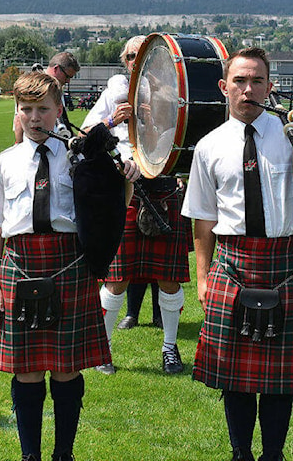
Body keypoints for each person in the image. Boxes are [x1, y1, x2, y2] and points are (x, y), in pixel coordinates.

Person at [183, 47, 293, 461]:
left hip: (285, 262)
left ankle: (273, 454)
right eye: (239, 81)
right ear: (224, 87)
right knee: (236, 378)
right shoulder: (208, 147)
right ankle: (240, 452)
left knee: (280, 380)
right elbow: (203, 219)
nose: (248, 89)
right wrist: (204, 278)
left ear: (270, 87)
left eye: (257, 81)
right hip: (232, 264)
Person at [0, 72, 123, 461]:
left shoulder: (81, 158)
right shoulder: (4, 162)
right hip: (19, 267)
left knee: (65, 369)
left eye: (43, 109)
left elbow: (110, 208)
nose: (35, 118)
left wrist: (125, 176)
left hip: (69, 265)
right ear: (17, 112)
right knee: (25, 370)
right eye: (27, 109)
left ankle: (63, 453)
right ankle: (30, 455)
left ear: (59, 110)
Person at [86, 36, 192, 375]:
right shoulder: (113, 92)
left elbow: (189, 137)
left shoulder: (170, 93)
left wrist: (157, 114)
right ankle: (102, 351)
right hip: (126, 189)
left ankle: (169, 349)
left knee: (169, 278)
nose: (136, 61)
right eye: (131, 56)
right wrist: (113, 121)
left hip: (165, 188)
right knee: (116, 278)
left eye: (143, 55)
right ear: (125, 60)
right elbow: (85, 134)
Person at [13, 52, 79, 144]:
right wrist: (19, 149)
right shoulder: (34, 85)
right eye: (67, 76)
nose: (68, 81)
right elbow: (18, 121)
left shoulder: (57, 89)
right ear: (56, 69)